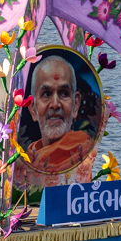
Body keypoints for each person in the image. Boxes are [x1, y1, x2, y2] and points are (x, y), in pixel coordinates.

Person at [15, 54, 96, 190]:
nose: (55, 104)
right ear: (33, 109)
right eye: (46, 94)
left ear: (75, 105)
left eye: (64, 93)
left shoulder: (86, 149)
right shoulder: (26, 161)